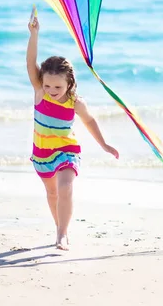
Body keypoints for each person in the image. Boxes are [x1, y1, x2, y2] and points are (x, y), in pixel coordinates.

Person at [26, 15, 119, 251]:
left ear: (69, 84)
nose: (52, 90)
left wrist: (105, 145)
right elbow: (30, 64)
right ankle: (60, 226)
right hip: (41, 153)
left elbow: (89, 121)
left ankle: (62, 234)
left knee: (66, 187)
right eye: (48, 85)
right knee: (52, 194)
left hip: (66, 151)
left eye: (57, 87)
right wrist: (34, 34)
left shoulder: (75, 103)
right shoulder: (40, 92)